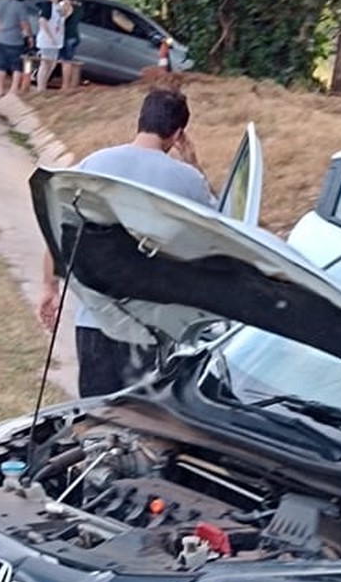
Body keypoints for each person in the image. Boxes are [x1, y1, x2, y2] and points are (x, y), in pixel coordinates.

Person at [38, 87, 215, 396]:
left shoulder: (94, 164)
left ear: (141, 120)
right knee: (140, 423)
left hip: (95, 320)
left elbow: (61, 228)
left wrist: (49, 287)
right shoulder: (188, 180)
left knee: (95, 417)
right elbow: (222, 231)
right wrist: (194, 163)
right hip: (152, 329)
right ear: (177, 134)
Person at [0, 0, 34, 97]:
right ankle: (13, 89)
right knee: (16, 65)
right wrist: (29, 36)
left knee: (0, 65)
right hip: (14, 40)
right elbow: (24, 23)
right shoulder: (19, 5)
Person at [34, 0, 66, 92]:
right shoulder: (47, 6)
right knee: (45, 63)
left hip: (57, 40)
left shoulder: (59, 8)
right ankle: (40, 87)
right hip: (47, 40)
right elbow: (42, 22)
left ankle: (44, 84)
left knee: (52, 64)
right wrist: (50, 37)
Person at [59, 0, 83, 93]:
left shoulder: (67, 7)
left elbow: (61, 19)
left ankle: (65, 85)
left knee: (66, 62)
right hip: (75, 36)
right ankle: (70, 85)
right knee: (70, 60)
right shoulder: (79, 8)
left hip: (67, 36)